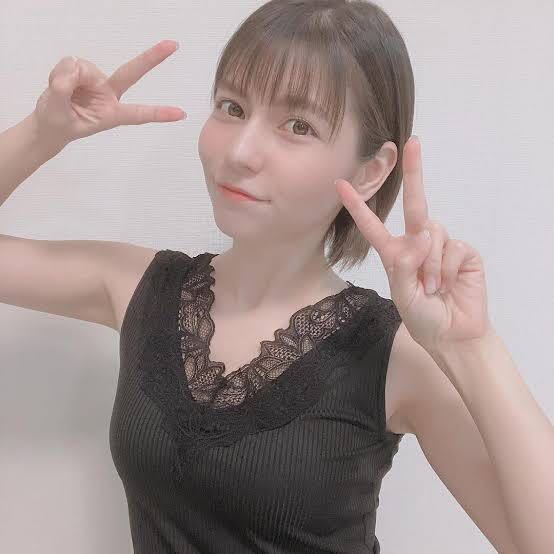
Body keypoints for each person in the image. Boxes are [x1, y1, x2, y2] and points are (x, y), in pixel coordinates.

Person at [3, 1, 551, 553]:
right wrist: (43, 132)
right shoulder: (135, 286)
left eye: (298, 126)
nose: (240, 152)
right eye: (232, 107)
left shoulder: (395, 354)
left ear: (370, 171)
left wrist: (473, 348)